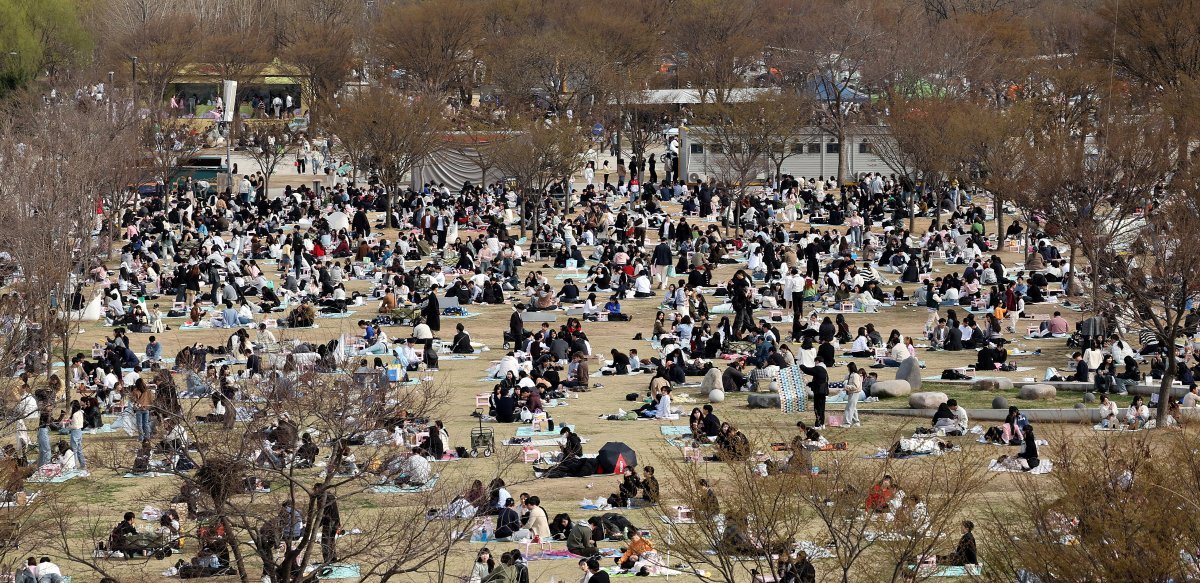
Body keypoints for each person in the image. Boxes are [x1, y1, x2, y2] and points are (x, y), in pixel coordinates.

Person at [314, 484, 341, 563]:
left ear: (318, 489)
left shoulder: (321, 497)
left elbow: (321, 512)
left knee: (325, 542)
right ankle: (333, 559)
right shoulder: (330, 495)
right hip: (335, 521)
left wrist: (318, 525)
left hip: (328, 521)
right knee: (331, 541)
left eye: (315, 489)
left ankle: (327, 560)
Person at [798, 363, 829, 428]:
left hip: (818, 392)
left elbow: (807, 370)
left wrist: (801, 365)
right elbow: (818, 382)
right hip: (823, 392)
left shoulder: (818, 368)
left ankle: (818, 425)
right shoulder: (824, 371)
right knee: (822, 408)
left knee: (817, 408)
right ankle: (822, 424)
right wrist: (809, 383)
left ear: (817, 361)